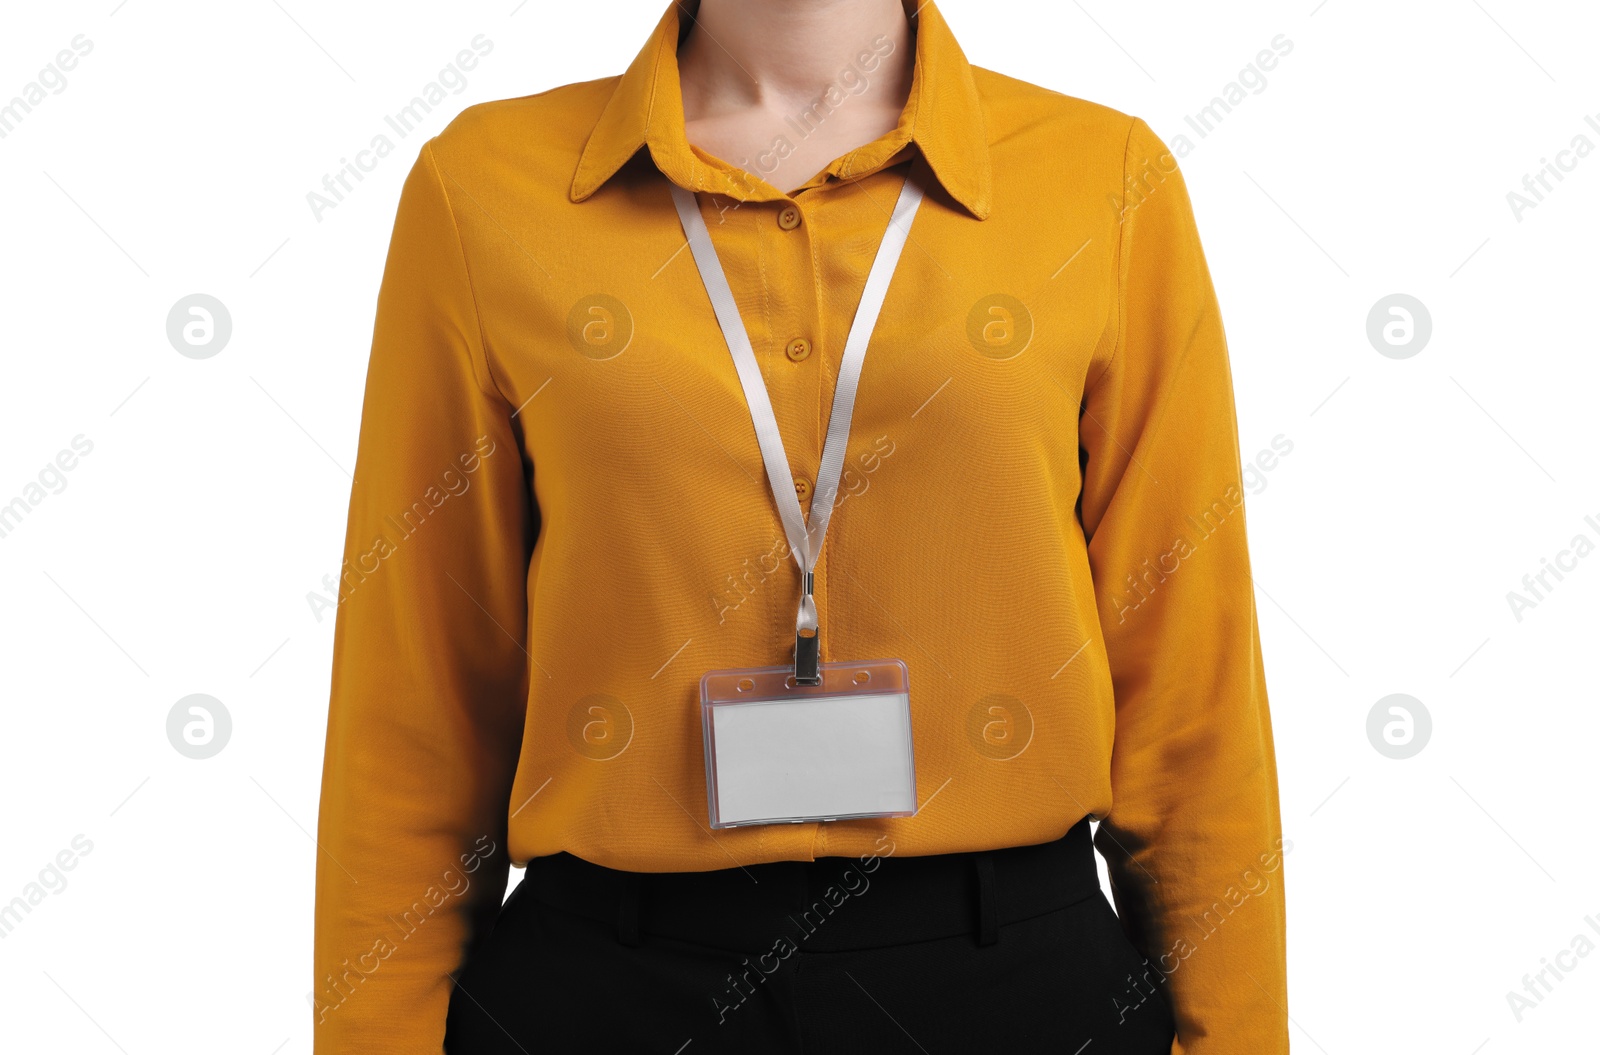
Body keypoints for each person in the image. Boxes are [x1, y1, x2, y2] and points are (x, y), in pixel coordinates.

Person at [311, 0, 1289, 1052]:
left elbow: (1189, 677)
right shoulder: (480, 188)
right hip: (608, 989)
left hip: (1013, 991)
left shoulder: (1105, 178)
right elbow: (415, 700)